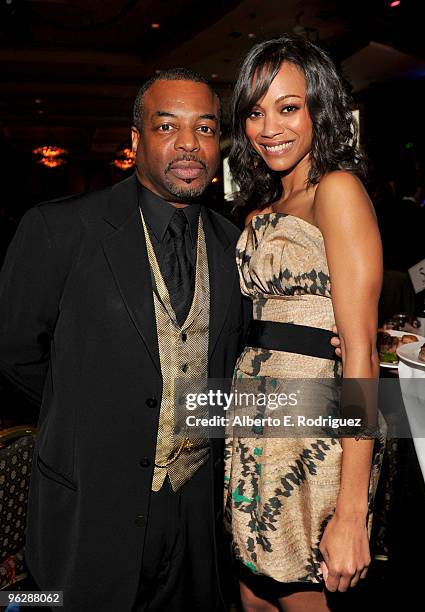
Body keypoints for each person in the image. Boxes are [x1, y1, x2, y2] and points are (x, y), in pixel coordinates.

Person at [0, 68, 251, 612]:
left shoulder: (238, 246)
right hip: (88, 508)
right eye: (167, 126)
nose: (189, 144)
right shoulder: (58, 229)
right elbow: (17, 353)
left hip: (195, 520)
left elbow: (228, 374)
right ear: (136, 139)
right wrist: (90, 412)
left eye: (205, 129)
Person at [224, 35, 386, 612]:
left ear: (320, 107)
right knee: (255, 599)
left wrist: (350, 511)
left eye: (288, 107)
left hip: (315, 434)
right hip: (254, 423)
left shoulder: (336, 192)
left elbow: (362, 357)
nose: (269, 127)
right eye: (255, 111)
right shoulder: (262, 208)